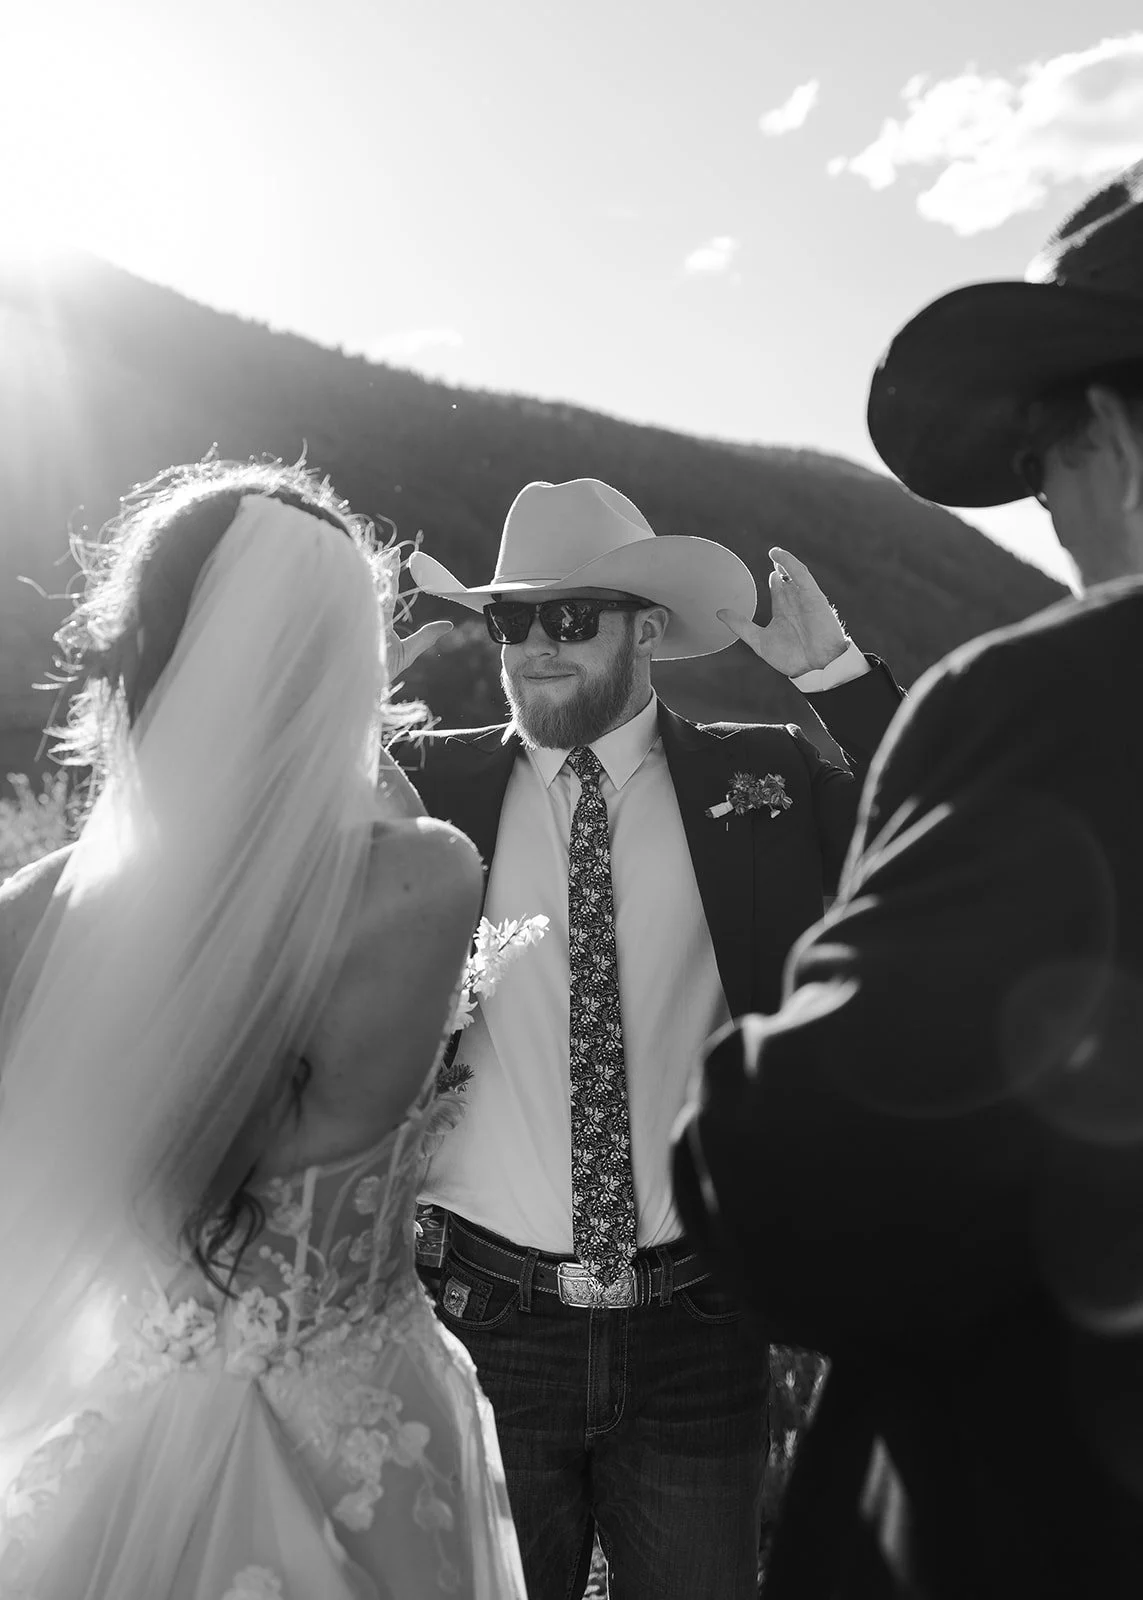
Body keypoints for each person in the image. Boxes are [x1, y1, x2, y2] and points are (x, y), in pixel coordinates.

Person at [672, 161, 1143, 1600]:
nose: (1054, 528)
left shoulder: (1055, 696)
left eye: (1043, 467)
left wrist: (732, 1087)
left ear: (1110, 435)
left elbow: (820, 1194)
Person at [0, 460, 528, 1599]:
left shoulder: (32, 919)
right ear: (344, 669)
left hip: (120, 1427)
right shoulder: (417, 882)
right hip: (356, 1425)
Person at [398, 476, 904, 1600]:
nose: (535, 646)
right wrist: (350, 689)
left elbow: (935, 822)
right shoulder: (428, 783)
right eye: (511, 620)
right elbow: (258, 843)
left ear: (645, 628)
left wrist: (836, 681)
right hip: (482, 1322)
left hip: (698, 1327)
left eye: (570, 616)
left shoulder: (760, 780)